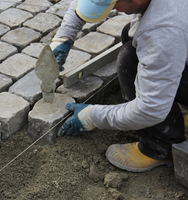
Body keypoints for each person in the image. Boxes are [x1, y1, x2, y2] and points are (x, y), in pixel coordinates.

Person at [50, 0, 188, 172]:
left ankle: (158, 146)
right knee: (131, 35)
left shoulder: (163, 29)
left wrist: (93, 116)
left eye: (114, 5)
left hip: (172, 33)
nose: (112, 10)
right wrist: (64, 35)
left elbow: (150, 110)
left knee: (129, 59)